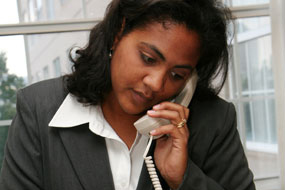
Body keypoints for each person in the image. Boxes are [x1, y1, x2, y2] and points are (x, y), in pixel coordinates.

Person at [0, 0, 256, 189]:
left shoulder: (214, 120)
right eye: (148, 58)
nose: (156, 84)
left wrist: (183, 178)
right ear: (118, 33)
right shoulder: (38, 109)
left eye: (177, 75)